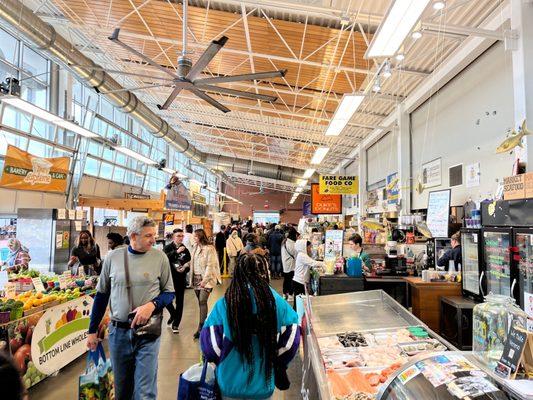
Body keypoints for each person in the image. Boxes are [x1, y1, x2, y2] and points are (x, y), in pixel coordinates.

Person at [86, 216, 175, 400]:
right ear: (133, 236)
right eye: (148, 235)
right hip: (118, 333)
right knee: (122, 390)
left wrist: (152, 305)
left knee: (144, 391)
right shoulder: (113, 258)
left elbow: (169, 293)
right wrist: (92, 330)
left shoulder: (160, 258)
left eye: (154, 235)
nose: (153, 239)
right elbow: (102, 296)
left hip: (148, 332)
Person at [200, 253, 300, 400]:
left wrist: (222, 358)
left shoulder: (226, 302)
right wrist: (277, 361)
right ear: (265, 273)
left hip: (229, 383)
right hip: (262, 385)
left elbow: (210, 345)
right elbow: (292, 340)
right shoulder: (277, 303)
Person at [189, 228, 221, 339]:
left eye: (195, 236)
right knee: (200, 302)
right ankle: (203, 323)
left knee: (203, 301)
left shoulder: (209, 248)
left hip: (206, 280)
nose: (193, 238)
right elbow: (193, 261)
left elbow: (210, 265)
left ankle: (201, 328)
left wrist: (205, 280)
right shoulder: (195, 248)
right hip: (195, 278)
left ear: (200, 237)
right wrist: (184, 266)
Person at [163, 229, 191, 333]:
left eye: (182, 236)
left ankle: (176, 324)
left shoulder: (185, 249)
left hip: (180, 278)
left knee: (180, 301)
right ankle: (173, 314)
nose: (180, 238)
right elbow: (164, 258)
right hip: (169, 279)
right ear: (173, 237)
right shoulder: (167, 248)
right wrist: (176, 252)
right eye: (178, 236)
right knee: (166, 299)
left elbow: (188, 262)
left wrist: (185, 268)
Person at [293, 239, 325, 308]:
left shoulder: (302, 254)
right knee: (299, 303)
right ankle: (296, 317)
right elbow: (313, 263)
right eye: (309, 247)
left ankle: (297, 316)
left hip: (299, 281)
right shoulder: (302, 255)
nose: (310, 249)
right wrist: (325, 263)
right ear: (304, 247)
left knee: (299, 302)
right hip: (299, 282)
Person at [281, 228, 298, 300]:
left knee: (286, 280)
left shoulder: (284, 242)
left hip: (285, 264)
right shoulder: (292, 244)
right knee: (291, 280)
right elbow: (295, 254)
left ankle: (284, 294)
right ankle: (290, 295)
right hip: (291, 264)